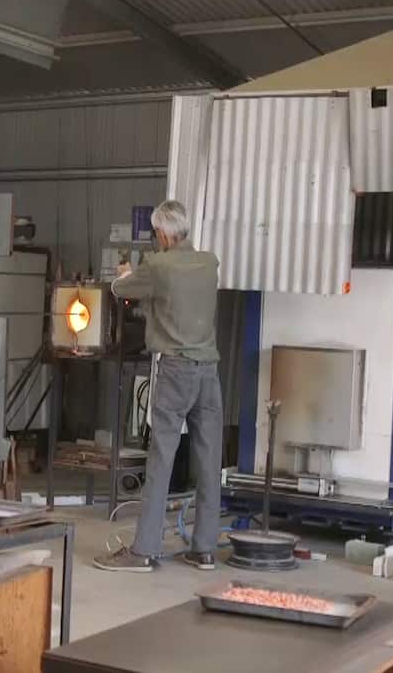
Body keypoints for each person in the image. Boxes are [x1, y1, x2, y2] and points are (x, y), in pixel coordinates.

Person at [93, 200, 222, 572]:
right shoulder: (209, 263)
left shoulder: (158, 265)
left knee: (162, 457)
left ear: (163, 233)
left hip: (175, 370)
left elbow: (121, 290)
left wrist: (123, 274)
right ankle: (204, 549)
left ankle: (144, 550)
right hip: (209, 371)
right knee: (209, 460)